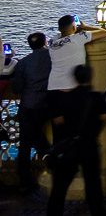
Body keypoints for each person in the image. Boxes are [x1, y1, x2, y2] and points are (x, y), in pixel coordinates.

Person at [47, 64, 106, 216]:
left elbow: (58, 121)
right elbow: (103, 118)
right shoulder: (97, 97)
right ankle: (97, 211)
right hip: (89, 146)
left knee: (60, 185)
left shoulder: (65, 98)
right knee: (93, 182)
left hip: (69, 147)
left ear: (74, 78)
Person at [8, 30, 52, 192]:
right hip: (47, 106)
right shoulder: (53, 58)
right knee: (38, 135)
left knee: (25, 144)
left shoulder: (23, 63)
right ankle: (50, 157)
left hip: (28, 106)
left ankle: (25, 181)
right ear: (45, 42)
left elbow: (17, 88)